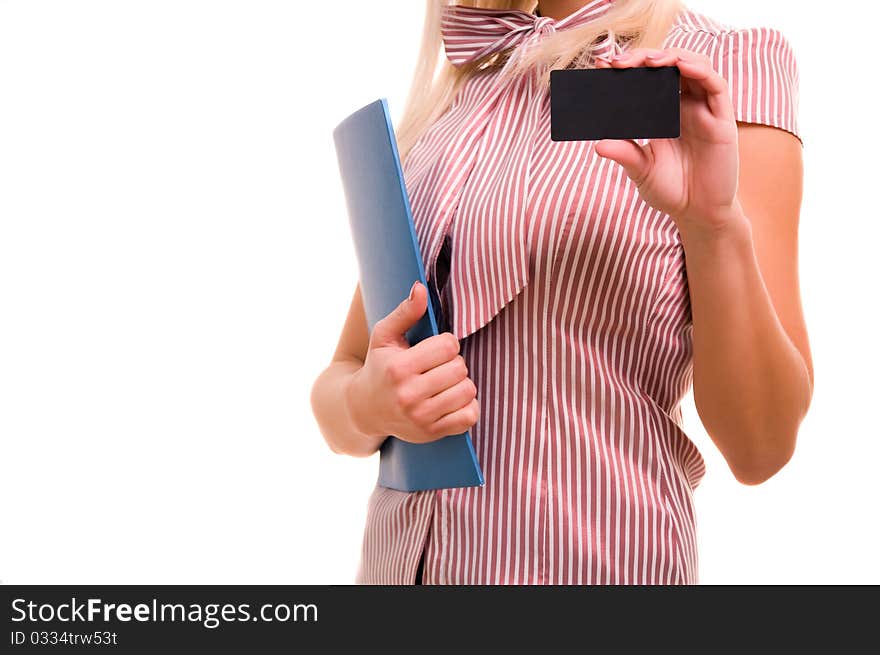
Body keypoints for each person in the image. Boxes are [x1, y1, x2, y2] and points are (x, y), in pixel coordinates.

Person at [311, 0, 813, 585]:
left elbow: (762, 446)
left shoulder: (724, 68)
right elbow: (345, 370)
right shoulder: (460, 96)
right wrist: (366, 404)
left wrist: (714, 225)